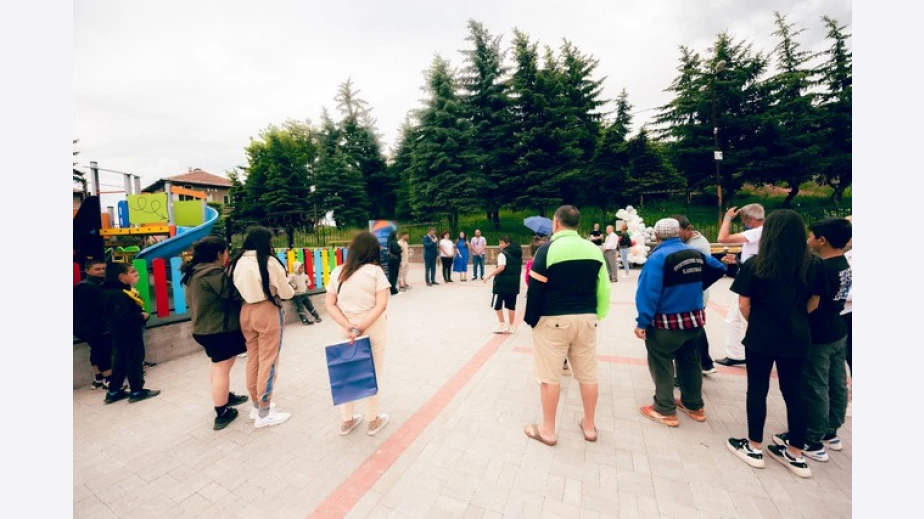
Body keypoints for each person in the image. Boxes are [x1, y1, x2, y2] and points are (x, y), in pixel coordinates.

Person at [726, 209, 823, 479]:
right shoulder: (813, 265)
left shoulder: (755, 264)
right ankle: (796, 453)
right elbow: (814, 303)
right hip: (797, 335)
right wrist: (794, 318)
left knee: (758, 388)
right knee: (795, 392)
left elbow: (744, 305)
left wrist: (757, 322)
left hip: (761, 335)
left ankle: (754, 446)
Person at [523, 206, 610, 446]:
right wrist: (597, 315)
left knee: (550, 377)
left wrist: (532, 320)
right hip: (586, 318)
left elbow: (535, 289)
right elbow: (603, 287)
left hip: (553, 320)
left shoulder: (547, 250)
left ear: (556, 223)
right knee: (588, 376)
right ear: (577, 224)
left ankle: (548, 431)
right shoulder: (593, 249)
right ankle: (589, 427)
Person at [773, 217, 852, 462]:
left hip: (818, 333)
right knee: (836, 381)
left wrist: (793, 323)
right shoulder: (843, 263)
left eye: (811, 236)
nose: (808, 240)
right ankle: (830, 429)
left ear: (822, 240)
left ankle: (811, 438)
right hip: (837, 328)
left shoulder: (821, 268)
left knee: (815, 385)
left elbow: (812, 303)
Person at [635, 219, 726, 428]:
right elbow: (718, 267)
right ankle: (694, 405)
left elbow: (648, 293)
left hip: (666, 323)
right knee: (690, 361)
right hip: (694, 320)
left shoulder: (658, 257)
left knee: (661, 361)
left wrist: (642, 322)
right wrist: (698, 285)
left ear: (656, 235)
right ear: (678, 233)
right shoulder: (695, 253)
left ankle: (664, 408)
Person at [181, 237, 250, 430]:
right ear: (219, 253)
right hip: (218, 330)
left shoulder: (195, 271)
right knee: (222, 368)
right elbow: (234, 294)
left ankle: (224, 396)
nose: (227, 255)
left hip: (204, 329)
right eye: (226, 252)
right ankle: (221, 412)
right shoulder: (212, 273)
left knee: (219, 366)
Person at [325, 232, 391, 436]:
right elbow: (381, 304)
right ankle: (372, 420)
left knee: (346, 372)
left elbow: (330, 304)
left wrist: (349, 326)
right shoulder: (375, 272)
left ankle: (347, 419)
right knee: (372, 372)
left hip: (346, 329)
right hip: (372, 327)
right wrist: (361, 326)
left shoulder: (338, 272)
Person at [230, 226, 295, 429]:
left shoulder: (237, 260)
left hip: (245, 311)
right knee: (269, 360)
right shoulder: (269, 262)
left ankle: (256, 405)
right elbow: (286, 293)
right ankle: (264, 413)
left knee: (254, 359)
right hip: (267, 310)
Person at [101, 262, 160, 404]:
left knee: (120, 361)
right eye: (132, 272)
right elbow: (123, 317)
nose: (137, 274)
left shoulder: (113, 291)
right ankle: (137, 390)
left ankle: (114, 391)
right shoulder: (119, 294)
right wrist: (141, 316)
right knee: (134, 360)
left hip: (119, 333)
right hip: (128, 332)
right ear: (121, 276)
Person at [715, 203, 766, 367]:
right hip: (754, 274)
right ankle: (739, 351)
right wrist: (737, 259)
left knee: (735, 318)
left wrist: (727, 218)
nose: (743, 224)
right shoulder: (765, 231)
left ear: (751, 219)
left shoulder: (757, 231)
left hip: (750, 278)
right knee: (737, 317)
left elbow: (722, 238)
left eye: (744, 220)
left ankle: (737, 353)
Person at [675, 215, 718, 375]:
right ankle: (705, 363)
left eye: (678, 232)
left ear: (688, 229)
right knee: (697, 329)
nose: (675, 236)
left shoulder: (695, 247)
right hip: (696, 295)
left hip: (694, 296)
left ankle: (695, 367)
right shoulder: (694, 241)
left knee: (693, 331)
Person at [525, 235, 572, 377]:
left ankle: (552, 371)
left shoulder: (530, 264)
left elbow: (528, 282)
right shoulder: (556, 262)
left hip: (542, 307)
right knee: (560, 338)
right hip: (558, 305)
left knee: (548, 341)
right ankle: (563, 363)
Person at [73, 259, 112, 390]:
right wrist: (102, 327)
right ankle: (109, 379)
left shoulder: (99, 283)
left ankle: (98, 378)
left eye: (103, 268)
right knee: (103, 350)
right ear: (87, 270)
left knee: (96, 350)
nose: (101, 271)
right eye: (97, 269)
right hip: (91, 326)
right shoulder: (85, 286)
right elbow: (87, 311)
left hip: (93, 326)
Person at [484, 236, 522, 334]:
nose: (499, 245)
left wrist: (488, 276)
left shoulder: (503, 254)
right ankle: (512, 326)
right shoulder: (517, 253)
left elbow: (501, 268)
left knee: (497, 304)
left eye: (501, 243)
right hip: (514, 283)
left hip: (501, 283)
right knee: (511, 305)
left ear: (507, 243)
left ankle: (501, 324)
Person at [386, 230, 402, 296]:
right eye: (397, 234)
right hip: (394, 261)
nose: (398, 235)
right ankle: (394, 291)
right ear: (395, 235)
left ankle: (392, 289)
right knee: (394, 276)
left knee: (391, 275)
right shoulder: (394, 242)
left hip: (391, 261)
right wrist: (401, 249)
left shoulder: (389, 242)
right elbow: (395, 251)